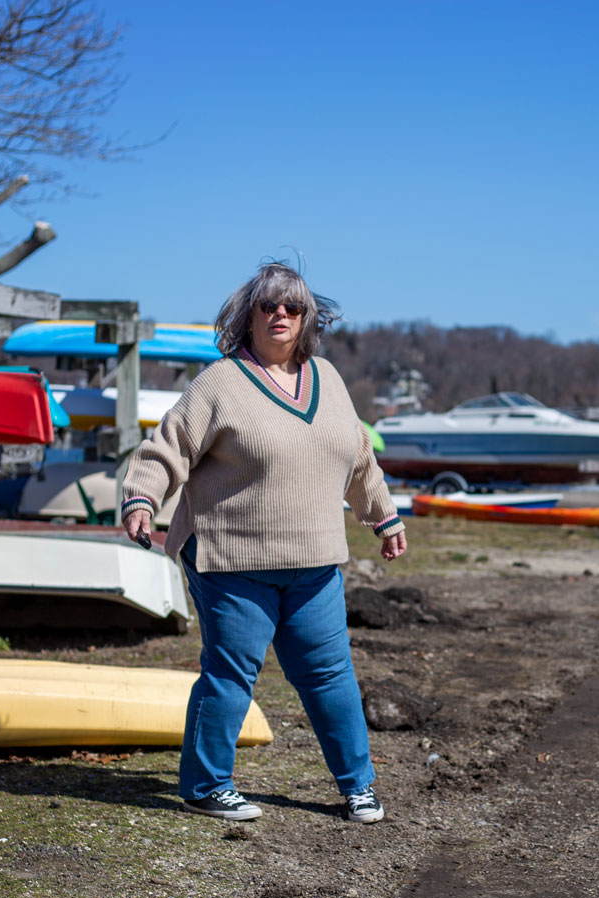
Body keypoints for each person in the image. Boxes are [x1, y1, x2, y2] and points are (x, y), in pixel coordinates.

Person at [121, 261, 407, 824]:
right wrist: (141, 500)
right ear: (247, 316)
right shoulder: (220, 382)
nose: (281, 315)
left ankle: (359, 786)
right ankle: (206, 786)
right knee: (230, 675)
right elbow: (166, 448)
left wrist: (385, 517)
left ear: (307, 319)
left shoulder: (328, 378)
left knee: (331, 677)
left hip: (315, 562)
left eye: (293, 307)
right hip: (232, 558)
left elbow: (357, 459)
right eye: (268, 306)